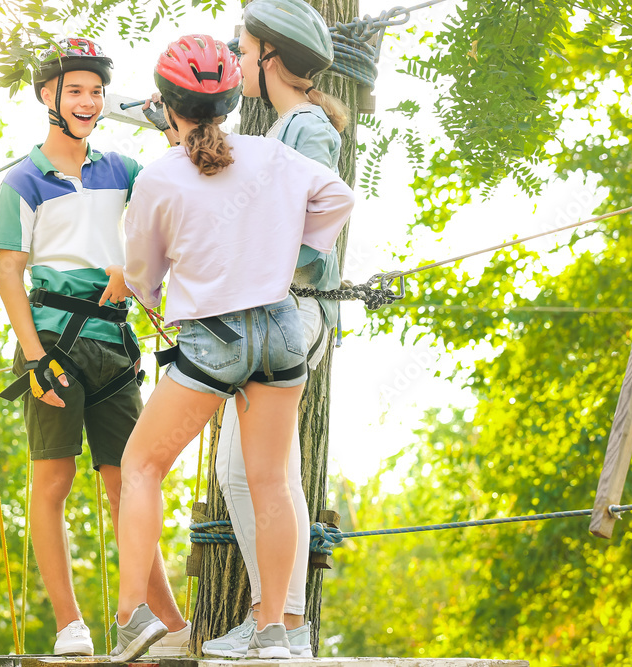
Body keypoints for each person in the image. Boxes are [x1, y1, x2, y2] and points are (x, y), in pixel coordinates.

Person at [100, 34, 355, 663]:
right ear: (229, 98)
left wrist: (159, 298)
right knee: (272, 483)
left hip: (215, 339)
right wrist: (289, 252)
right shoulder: (273, 155)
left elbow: (141, 272)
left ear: (166, 104)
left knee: (140, 467)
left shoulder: (160, 177)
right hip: (281, 330)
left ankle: (133, 616)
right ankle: (274, 629)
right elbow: (339, 198)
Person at [0, 37, 188, 656]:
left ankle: (170, 628)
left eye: (95, 91)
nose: (87, 100)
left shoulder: (123, 170)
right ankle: (70, 624)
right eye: (74, 89)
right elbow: (8, 273)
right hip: (54, 343)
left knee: (129, 484)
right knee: (54, 480)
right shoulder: (23, 180)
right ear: (47, 95)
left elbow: (172, 200)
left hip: (114, 344)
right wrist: (32, 357)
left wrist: (167, 117)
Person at [202, 0, 352, 658]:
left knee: (260, 472)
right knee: (252, 471)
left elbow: (311, 233)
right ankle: (282, 623)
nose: (238, 53)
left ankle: (283, 624)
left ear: (272, 56)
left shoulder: (310, 128)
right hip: (272, 313)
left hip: (293, 310)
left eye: (244, 44)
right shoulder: (285, 129)